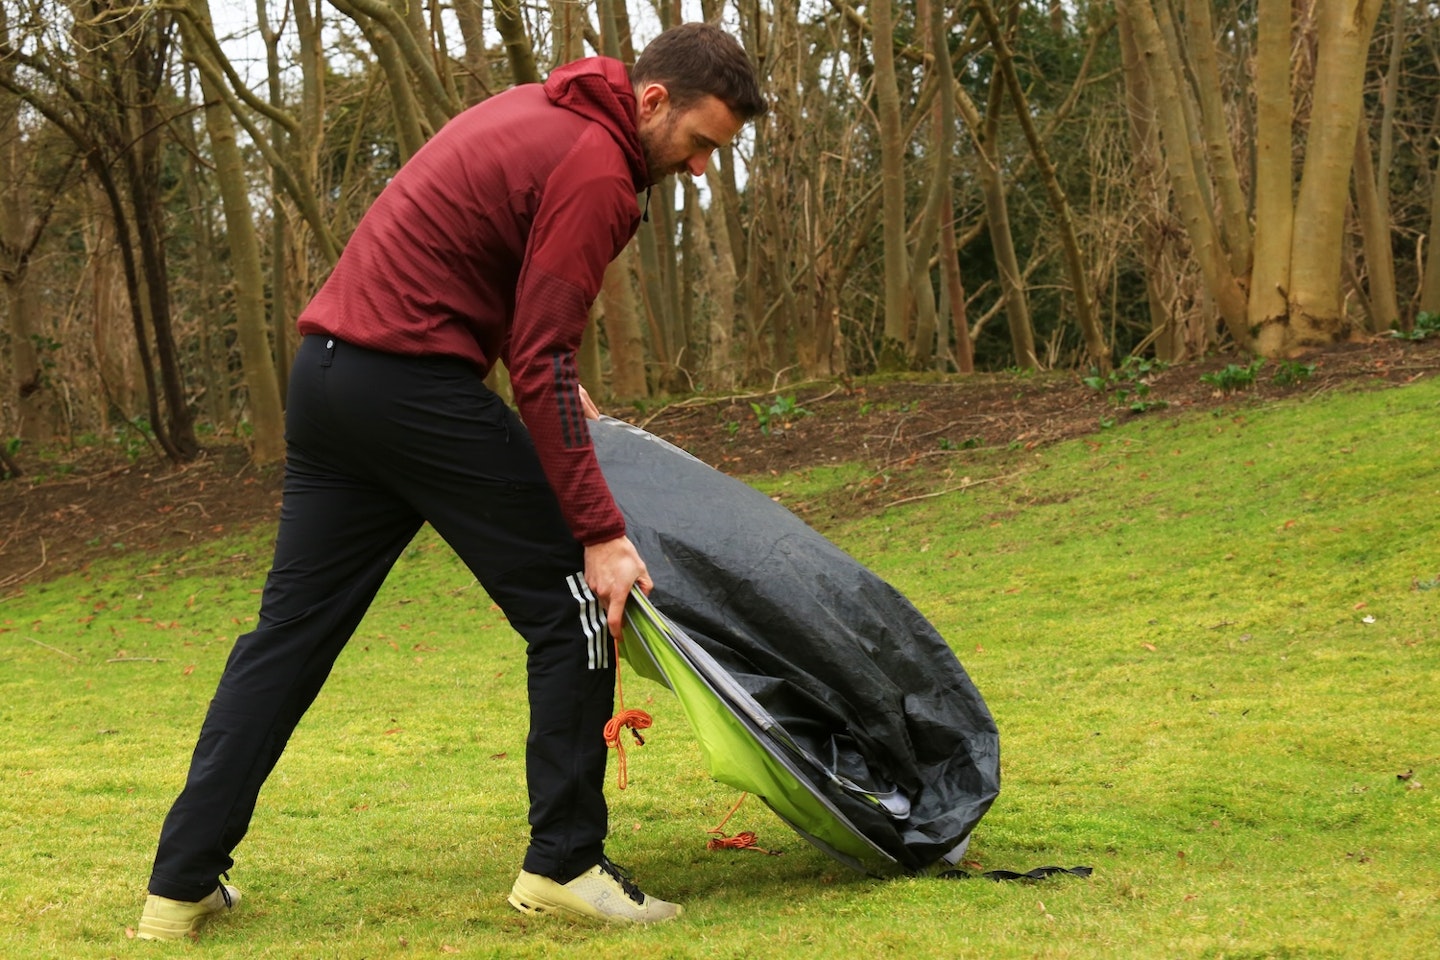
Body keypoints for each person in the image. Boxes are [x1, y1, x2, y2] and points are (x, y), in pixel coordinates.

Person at [136, 22, 766, 941]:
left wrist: (547, 364)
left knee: (287, 639)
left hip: (326, 378)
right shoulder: (597, 167)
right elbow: (538, 356)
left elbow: (486, 280)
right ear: (653, 99)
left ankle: (178, 885)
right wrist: (599, 533)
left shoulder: (533, 111)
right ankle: (565, 864)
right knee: (579, 606)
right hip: (411, 391)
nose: (703, 167)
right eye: (701, 142)